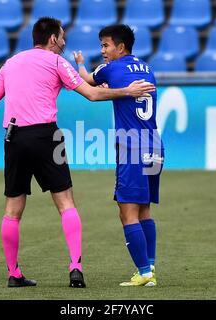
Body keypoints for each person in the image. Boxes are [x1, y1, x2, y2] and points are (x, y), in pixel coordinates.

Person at [0, 17, 156, 289]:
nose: (64, 42)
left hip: (13, 138)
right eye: (62, 37)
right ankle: (76, 269)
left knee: (12, 211)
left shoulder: (10, 64)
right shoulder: (58, 62)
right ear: (52, 39)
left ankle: (14, 273)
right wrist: (127, 91)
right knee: (66, 204)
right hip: (47, 136)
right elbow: (93, 95)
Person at [73, 24, 164, 287]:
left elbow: (86, 81)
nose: (102, 51)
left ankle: (144, 272)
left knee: (127, 212)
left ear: (120, 47)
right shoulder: (147, 68)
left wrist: (79, 63)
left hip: (132, 147)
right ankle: (150, 269)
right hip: (155, 144)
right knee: (144, 209)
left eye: (105, 45)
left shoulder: (111, 68)